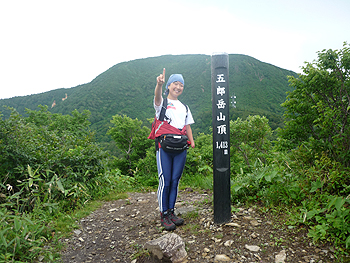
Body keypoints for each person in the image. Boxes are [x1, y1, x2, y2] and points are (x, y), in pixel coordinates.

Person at [150, 68, 195, 231]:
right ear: (169, 86)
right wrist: (158, 85)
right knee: (165, 181)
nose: (178, 87)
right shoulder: (162, 103)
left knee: (175, 181)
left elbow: (187, 125)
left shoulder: (185, 107)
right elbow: (157, 96)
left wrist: (192, 142)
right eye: (175, 83)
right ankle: (164, 214)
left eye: (181, 84)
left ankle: (171, 211)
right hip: (164, 147)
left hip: (181, 147)